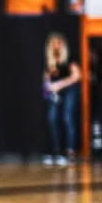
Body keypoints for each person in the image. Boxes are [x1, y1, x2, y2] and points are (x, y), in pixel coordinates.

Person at [42, 32, 82, 166]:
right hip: (55, 93)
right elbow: (46, 78)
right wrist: (49, 87)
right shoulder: (50, 60)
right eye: (53, 43)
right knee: (52, 118)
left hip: (70, 90)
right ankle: (57, 150)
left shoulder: (69, 58)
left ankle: (70, 151)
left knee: (67, 117)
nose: (55, 46)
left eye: (58, 43)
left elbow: (77, 76)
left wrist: (60, 84)